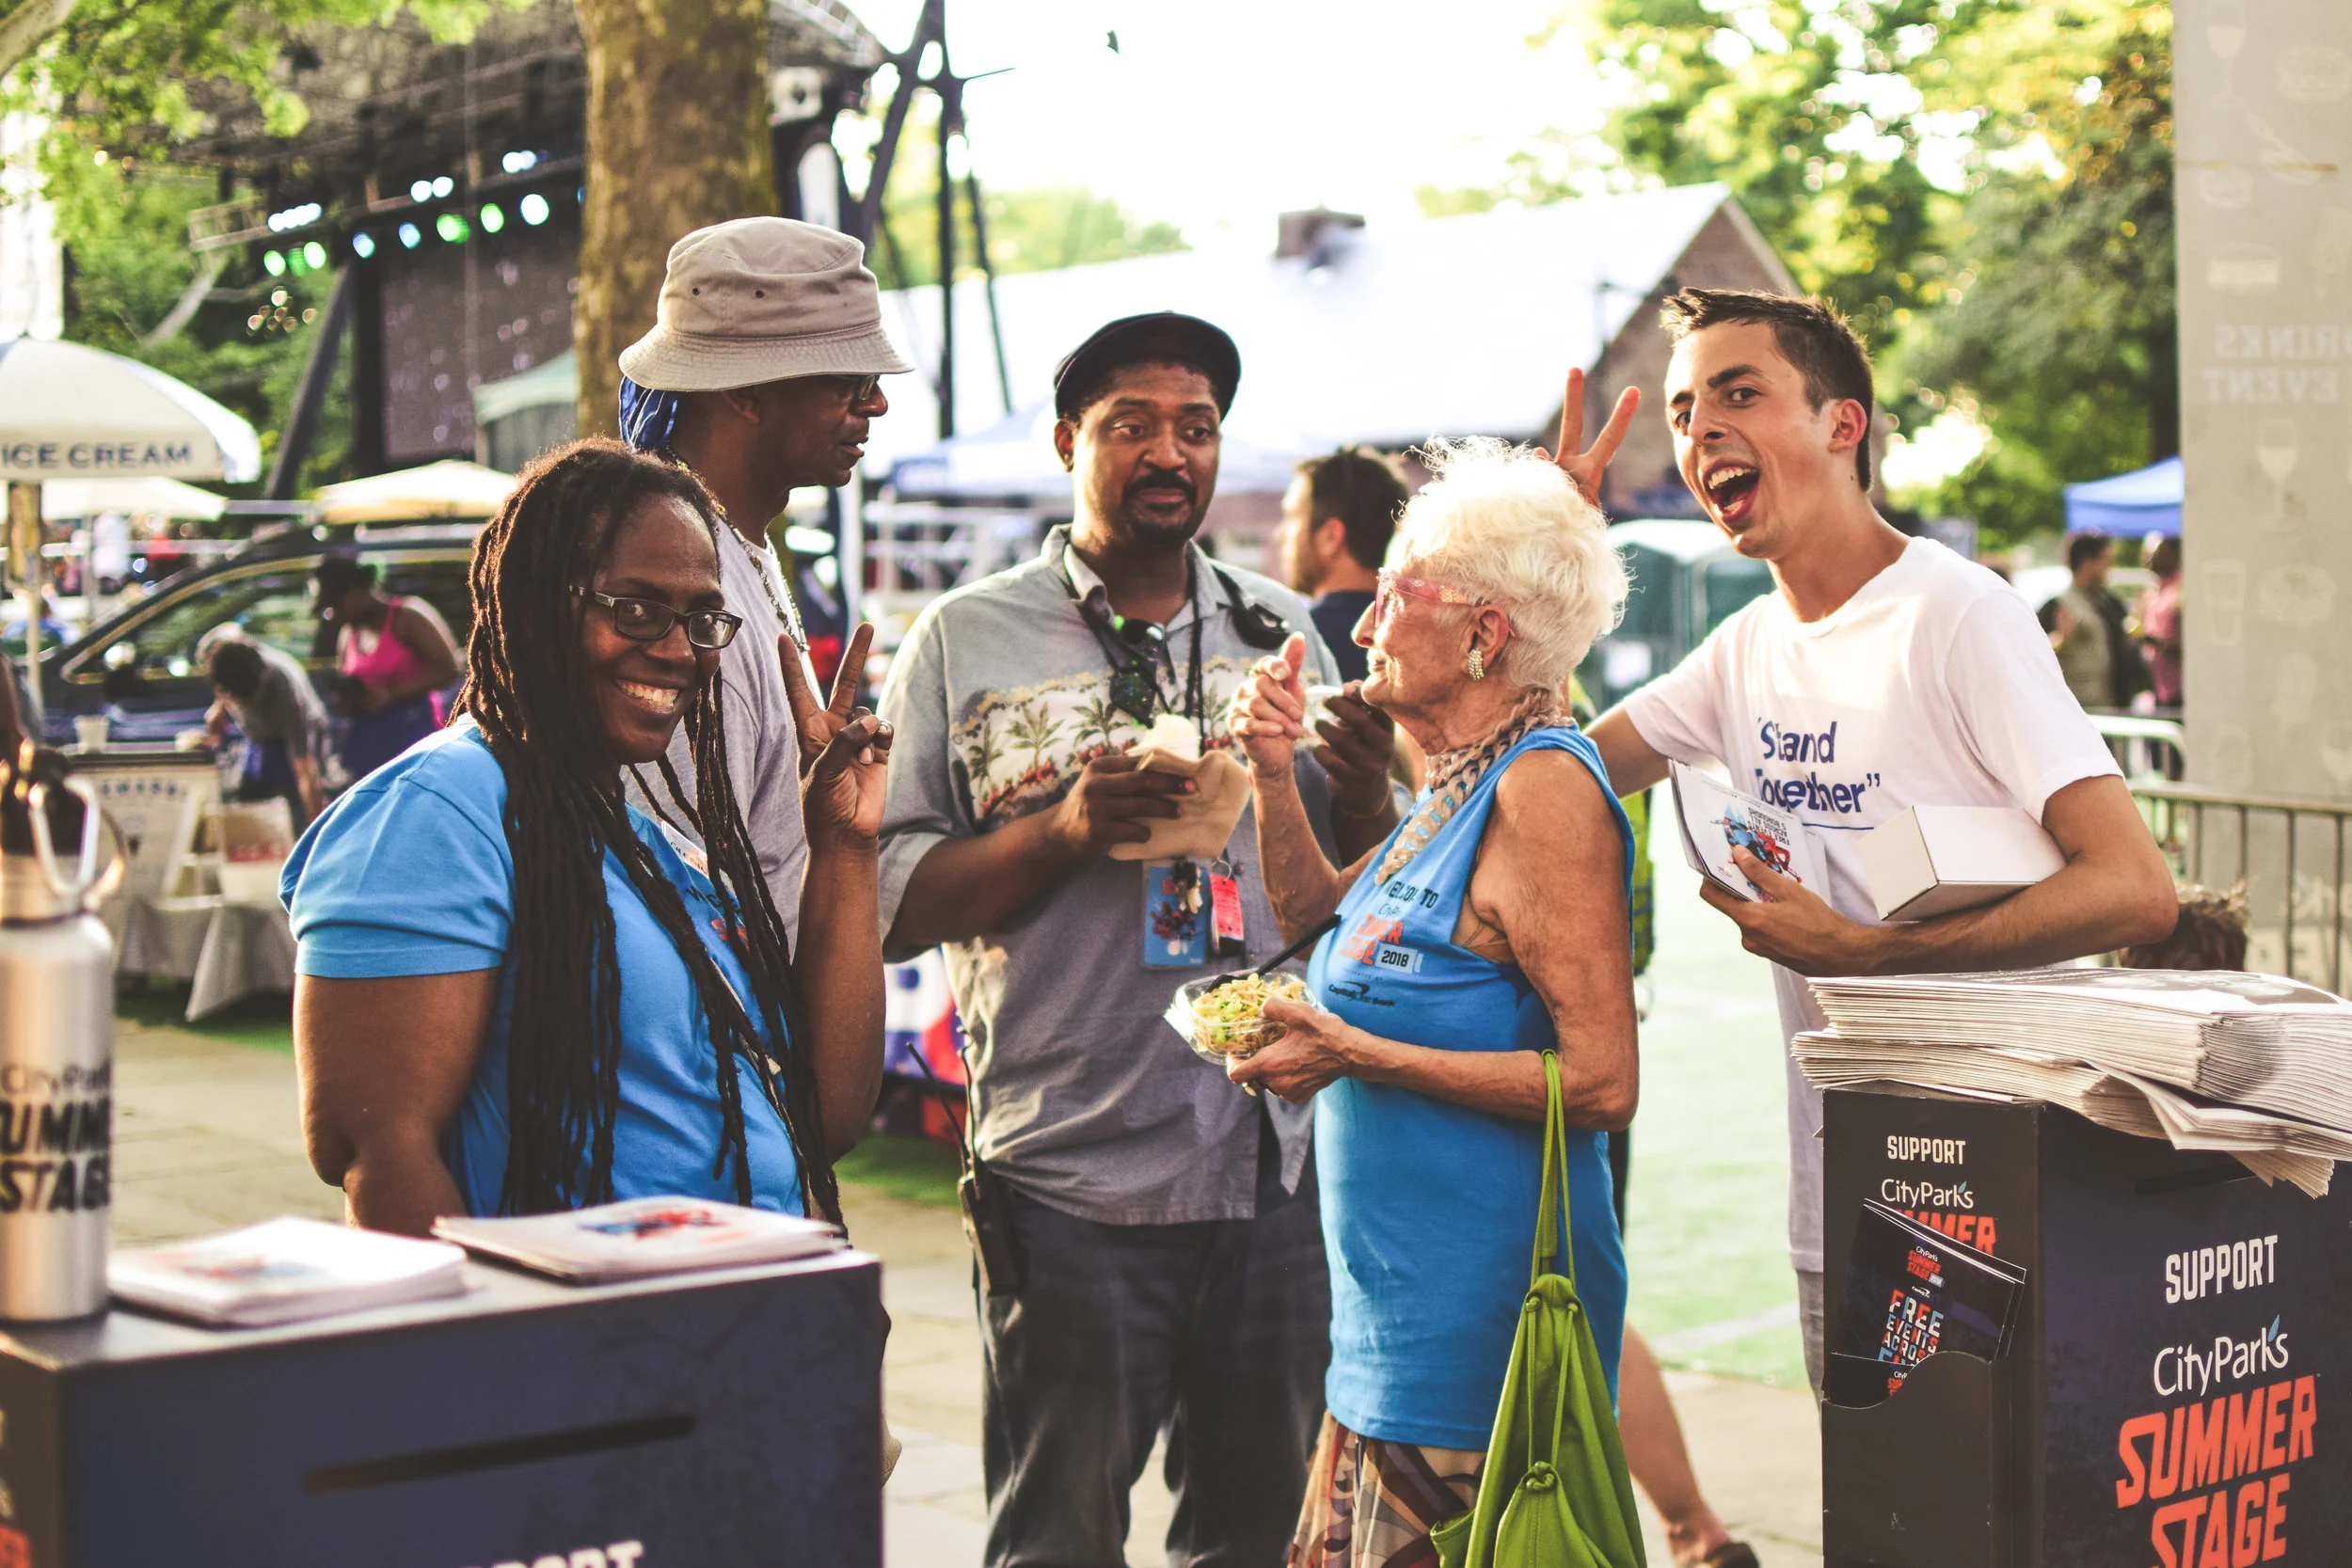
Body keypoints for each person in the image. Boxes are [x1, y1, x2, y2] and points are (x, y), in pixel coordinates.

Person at [1584, 288, 2177, 1395]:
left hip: (2000, 1195)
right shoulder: (1740, 648)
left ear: (1840, 424)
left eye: (1738, 391)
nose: (1699, 426)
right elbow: (1559, 778)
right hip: (1848, 1191)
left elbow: (2135, 888)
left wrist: (1870, 952)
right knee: (1880, 1513)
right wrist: (1553, 561)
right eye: (1681, 406)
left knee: (1982, 1520)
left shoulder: (1957, 613)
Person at [878, 311, 1391, 1567]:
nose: (1171, 451)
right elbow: (887, 894)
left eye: (1197, 426)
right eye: (1133, 425)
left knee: (1263, 1532)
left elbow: (1345, 884)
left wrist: (1374, 788)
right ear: (1070, 442)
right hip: (1069, 1170)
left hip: (1267, 1163)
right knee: (1056, 1535)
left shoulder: (1281, 630)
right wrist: (1060, 830)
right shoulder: (964, 638)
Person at [285, 440, 891, 1234]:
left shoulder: (646, 845)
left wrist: (843, 845)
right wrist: (535, 1356)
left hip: (747, 1336)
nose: (676, 649)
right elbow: (379, 1156)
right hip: (582, 1346)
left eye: (700, 618)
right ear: (537, 607)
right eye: (636, 610)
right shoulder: (436, 811)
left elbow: (827, 1118)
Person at [1225, 436, 1639, 1565]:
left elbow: (1602, 1084)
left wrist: (1355, 1050)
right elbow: (1321, 916)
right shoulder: (1450, 777)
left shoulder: (1542, 789)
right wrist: (1270, 773)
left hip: (1476, 1350)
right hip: (1386, 1335)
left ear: (1483, 633)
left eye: (1391, 596)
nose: (1359, 626)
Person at [615, 216, 911, 943]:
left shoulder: (738, 543)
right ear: (746, 391)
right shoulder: (676, 589)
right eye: (852, 380)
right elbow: (672, 901)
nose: (875, 404)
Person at [312, 553, 463, 781]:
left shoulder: (408, 618)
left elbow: (451, 669)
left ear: (355, 592)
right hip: (369, 748)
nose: (335, 616)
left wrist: (393, 693)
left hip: (413, 741)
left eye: (336, 606)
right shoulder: (348, 634)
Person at [1273, 446, 1408, 684]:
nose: (1280, 534)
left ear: (1330, 536)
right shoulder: (1416, 639)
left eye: (1293, 517)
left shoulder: (1291, 644)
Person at [201, 629, 327, 827]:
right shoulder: (216, 651)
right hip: (260, 738)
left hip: (300, 733)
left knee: (294, 811)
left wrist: (317, 829)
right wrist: (219, 709)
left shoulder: (285, 693)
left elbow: (305, 770)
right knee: (247, 802)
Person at [2041, 532, 2143, 712]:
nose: (2110, 567)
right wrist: (2061, 638)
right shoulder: (2059, 606)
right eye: (2106, 560)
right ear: (2087, 562)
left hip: (2109, 706)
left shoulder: (2108, 603)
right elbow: (2037, 652)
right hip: (2080, 711)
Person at [2136, 534, 2184, 709]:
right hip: (2156, 685)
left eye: (2156, 551)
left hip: (2178, 688)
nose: (2149, 557)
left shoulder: (2181, 590)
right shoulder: (2152, 591)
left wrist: (2155, 642)